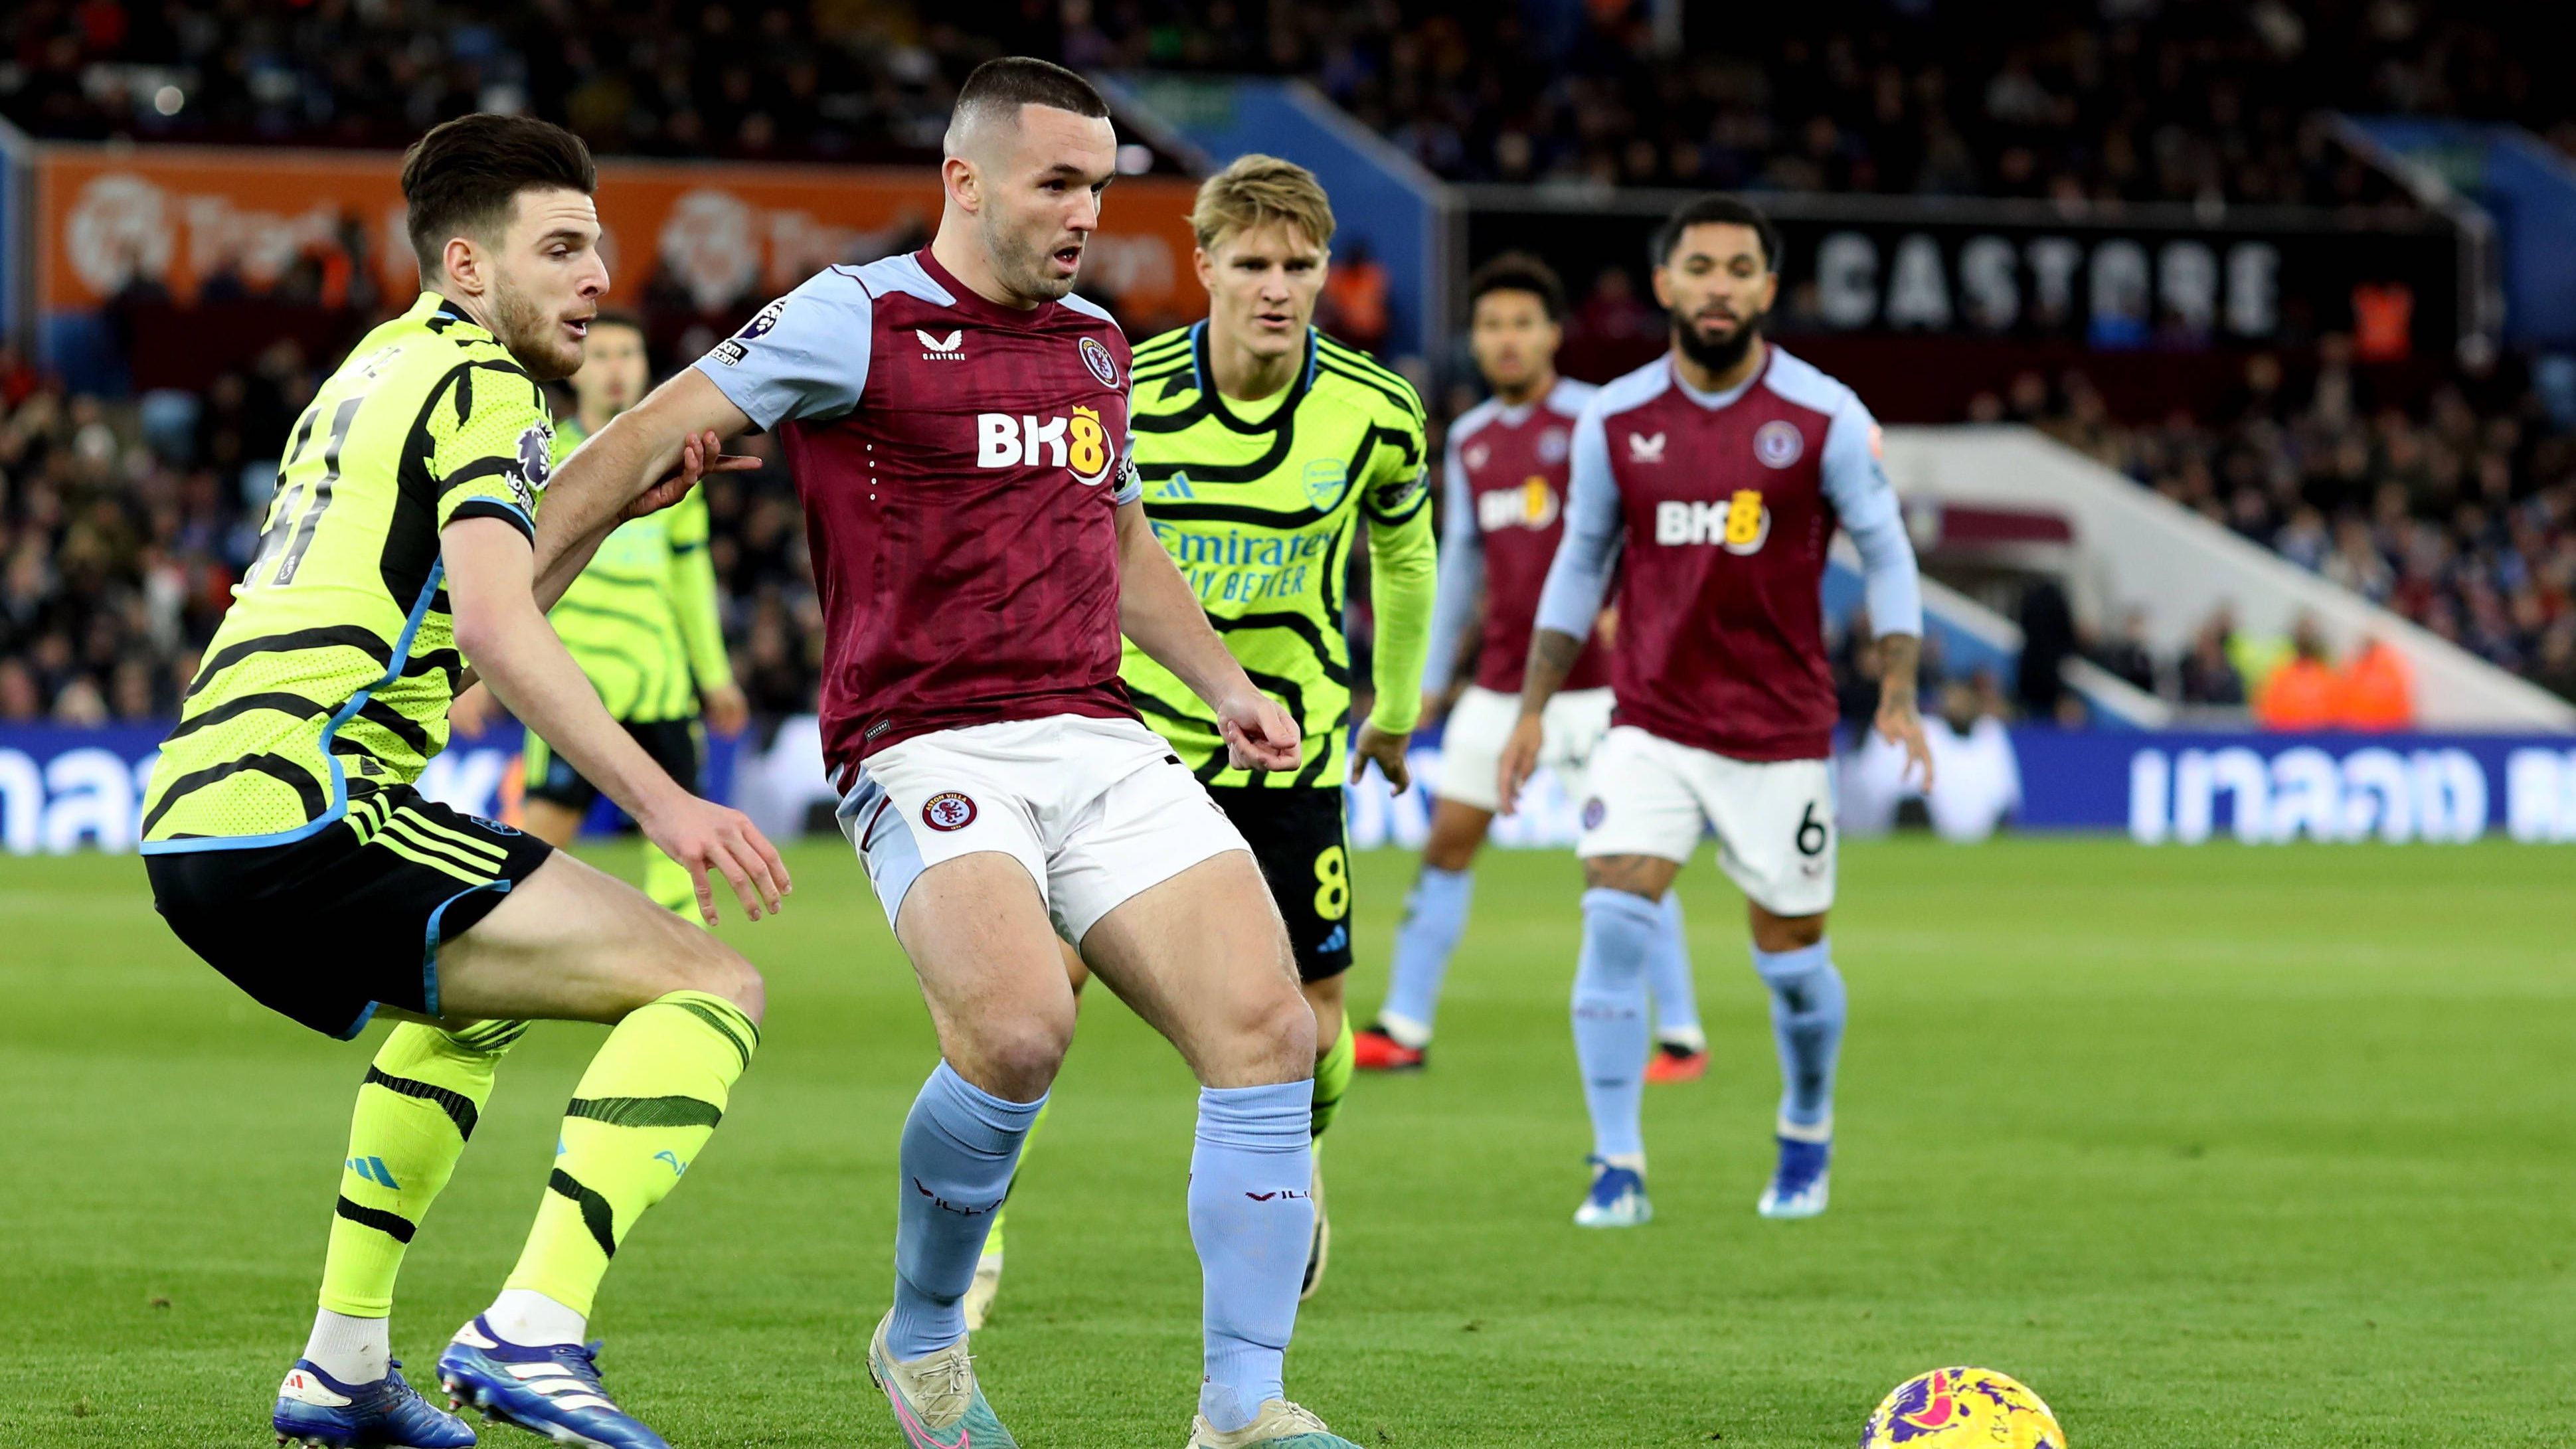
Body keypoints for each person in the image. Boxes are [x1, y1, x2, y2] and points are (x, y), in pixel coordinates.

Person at [535, 58, 1370, 1449]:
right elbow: (635, 444)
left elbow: (1116, 538)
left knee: (1271, 1030)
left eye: (1100, 186)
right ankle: (923, 1338)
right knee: (1019, 1026)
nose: (1085, 213)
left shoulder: (1098, 344)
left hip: (1096, 727)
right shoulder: (848, 317)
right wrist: (498, 616)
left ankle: (1240, 1403)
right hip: (920, 736)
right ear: (962, 181)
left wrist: (1221, 680)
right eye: (1057, 182)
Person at [137, 114, 788, 1449]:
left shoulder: (379, 368)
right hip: (309, 805)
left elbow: (454, 622)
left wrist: (613, 501)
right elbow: (497, 636)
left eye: (598, 249)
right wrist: (668, 801)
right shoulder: (487, 387)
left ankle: (342, 1366)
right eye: (558, 248)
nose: (594, 276)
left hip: (208, 811)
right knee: (709, 981)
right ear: (466, 265)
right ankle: (531, 1327)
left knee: (470, 1011)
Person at [969, 154, 1436, 1321]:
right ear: (1205, 265)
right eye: (1252, 263)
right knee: (1031, 997)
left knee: (1313, 1025)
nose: (1276, 287)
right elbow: (1052, 538)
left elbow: (1405, 557)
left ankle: (1296, 1147)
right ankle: (973, 1241)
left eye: (1299, 264)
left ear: (1325, 272)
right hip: (1126, 745)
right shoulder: (1124, 387)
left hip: (1293, 754)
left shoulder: (1376, 410)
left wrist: (1400, 700)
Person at [1499, 194, 1931, 1229]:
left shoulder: (1822, 417)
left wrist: (1902, 684)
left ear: (1767, 290)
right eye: (1700, 266)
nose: (1719, 286)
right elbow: (1579, 562)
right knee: (1610, 914)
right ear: (1665, 284)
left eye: (1740, 268)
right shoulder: (1616, 419)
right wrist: (1529, 708)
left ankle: (1805, 1127)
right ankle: (1614, 1164)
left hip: (1778, 734)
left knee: (1790, 965)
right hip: (1647, 721)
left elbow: (1886, 549)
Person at [1352, 252, 1705, 1079]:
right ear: (1473, 340)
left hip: (1594, 692)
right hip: (1502, 685)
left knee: (1627, 860)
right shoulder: (1471, 440)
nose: (1506, 340)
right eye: (1491, 326)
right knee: (1446, 845)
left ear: (1552, 333)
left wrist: (1640, 610)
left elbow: (1654, 525)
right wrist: (1431, 678)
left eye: (1522, 323)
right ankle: (1405, 1026)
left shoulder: (1597, 422)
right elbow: (1465, 564)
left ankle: (1682, 1035)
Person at [451, 311, 750, 911]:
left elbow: (690, 580)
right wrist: (470, 670)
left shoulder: (676, 460)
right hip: (568, 682)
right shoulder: (539, 454)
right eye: (604, 355)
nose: (617, 370)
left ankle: (683, 987)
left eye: (630, 356)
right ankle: (484, 973)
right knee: (537, 849)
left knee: (685, 853)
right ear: (578, 372)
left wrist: (714, 676)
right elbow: (492, 570)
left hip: (660, 682)